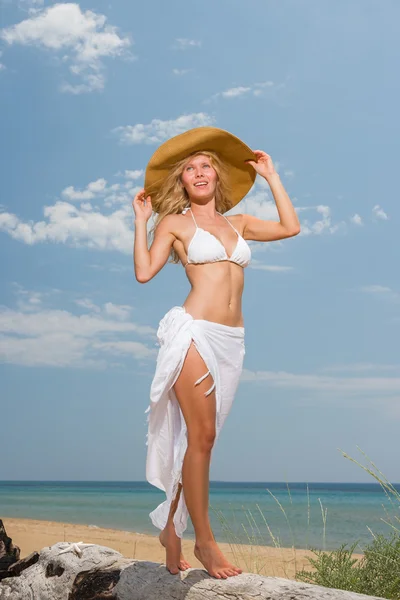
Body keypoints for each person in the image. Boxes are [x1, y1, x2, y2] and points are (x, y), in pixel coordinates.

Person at [132, 127, 300, 580]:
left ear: (217, 176)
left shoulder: (239, 224)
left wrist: (271, 176)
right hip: (193, 334)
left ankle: (170, 531)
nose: (199, 172)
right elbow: (145, 272)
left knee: (201, 442)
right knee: (201, 438)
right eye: (190, 169)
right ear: (182, 183)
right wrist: (141, 222)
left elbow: (291, 226)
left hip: (232, 342)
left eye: (206, 165)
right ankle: (204, 542)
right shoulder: (176, 224)